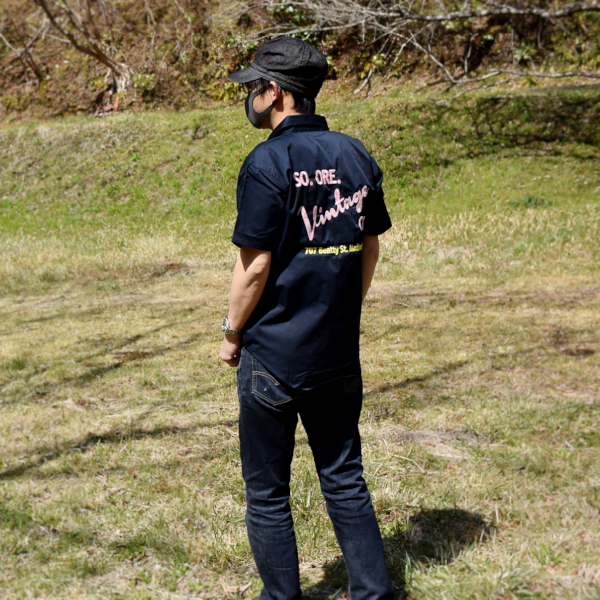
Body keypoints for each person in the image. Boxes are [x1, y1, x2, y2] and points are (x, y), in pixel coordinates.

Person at [219, 36, 396, 600]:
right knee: (344, 479)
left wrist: (231, 333)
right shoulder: (354, 154)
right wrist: (343, 311)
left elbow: (254, 266)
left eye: (253, 88)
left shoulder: (267, 162)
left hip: (272, 358)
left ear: (275, 92)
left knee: (267, 492)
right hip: (337, 354)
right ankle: (374, 593)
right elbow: (370, 247)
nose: (249, 98)